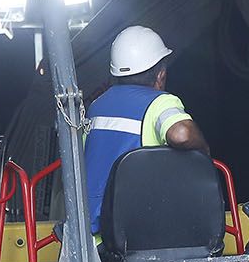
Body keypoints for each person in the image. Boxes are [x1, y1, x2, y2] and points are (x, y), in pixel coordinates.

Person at [83, 25, 208, 235]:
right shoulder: (159, 102)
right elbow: (182, 134)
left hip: (93, 236)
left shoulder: (96, 106)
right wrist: (204, 151)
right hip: (139, 235)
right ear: (160, 75)